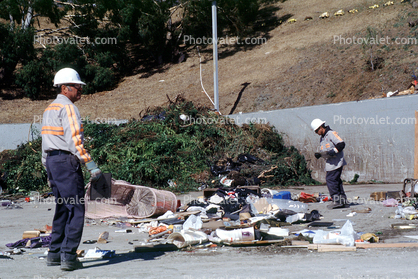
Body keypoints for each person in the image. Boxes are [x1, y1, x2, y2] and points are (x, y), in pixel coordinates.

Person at [41, 68, 102, 271]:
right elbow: (74, 140)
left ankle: (54, 253)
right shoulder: (68, 108)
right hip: (66, 162)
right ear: (65, 88)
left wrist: (47, 166)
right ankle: (68, 256)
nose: (80, 91)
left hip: (52, 162)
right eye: (77, 87)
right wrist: (90, 165)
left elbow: (45, 142)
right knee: (76, 209)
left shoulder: (49, 108)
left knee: (62, 208)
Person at [311, 118, 348, 209]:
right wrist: (320, 155)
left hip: (336, 162)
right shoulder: (322, 138)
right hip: (330, 163)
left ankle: (337, 201)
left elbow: (341, 144)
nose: (316, 133)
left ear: (321, 127)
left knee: (330, 180)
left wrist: (334, 151)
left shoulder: (331, 134)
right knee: (336, 180)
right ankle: (342, 199)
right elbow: (326, 151)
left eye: (316, 130)